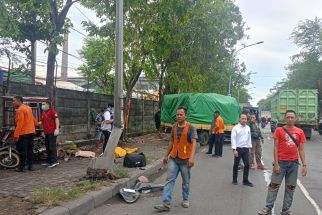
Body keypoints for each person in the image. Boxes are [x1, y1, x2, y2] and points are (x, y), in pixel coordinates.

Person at [258, 110, 307, 215]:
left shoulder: (300, 132)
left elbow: (301, 149)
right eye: (288, 117)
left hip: (294, 164)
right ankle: (268, 207)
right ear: (285, 118)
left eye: (292, 117)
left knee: (290, 188)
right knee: (274, 186)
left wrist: (304, 165)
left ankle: (285, 210)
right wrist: (276, 163)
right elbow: (275, 147)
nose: (290, 119)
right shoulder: (279, 130)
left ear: (295, 118)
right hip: (281, 163)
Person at [154, 106, 198, 212]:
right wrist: (166, 155)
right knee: (169, 180)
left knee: (186, 182)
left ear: (185, 115)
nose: (178, 116)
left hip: (185, 160)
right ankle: (166, 203)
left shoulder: (191, 127)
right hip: (174, 158)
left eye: (181, 114)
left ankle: (186, 199)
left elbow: (194, 142)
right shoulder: (174, 127)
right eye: (177, 114)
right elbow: (171, 142)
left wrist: (192, 158)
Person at [13, 96, 37, 172]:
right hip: (31, 132)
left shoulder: (20, 110)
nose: (13, 102)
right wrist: (37, 123)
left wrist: (16, 135)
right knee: (30, 150)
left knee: (23, 150)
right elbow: (33, 118)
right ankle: (31, 166)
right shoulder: (28, 108)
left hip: (23, 133)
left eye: (14, 101)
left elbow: (20, 123)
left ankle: (22, 167)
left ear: (19, 101)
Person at [231, 113, 253, 187]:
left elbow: (249, 138)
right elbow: (233, 139)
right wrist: (234, 149)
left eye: (245, 119)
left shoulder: (248, 128)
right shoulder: (235, 128)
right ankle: (234, 179)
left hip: (246, 148)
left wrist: (249, 147)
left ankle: (245, 180)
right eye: (242, 118)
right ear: (239, 119)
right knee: (236, 164)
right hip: (238, 149)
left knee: (247, 164)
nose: (244, 120)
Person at [39, 101, 60, 168]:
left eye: (43, 104)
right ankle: (49, 161)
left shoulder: (52, 111)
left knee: (52, 147)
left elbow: (57, 120)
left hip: (52, 132)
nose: (42, 105)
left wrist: (57, 129)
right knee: (47, 147)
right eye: (42, 104)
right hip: (46, 133)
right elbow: (40, 122)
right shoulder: (43, 113)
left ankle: (55, 162)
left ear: (47, 105)